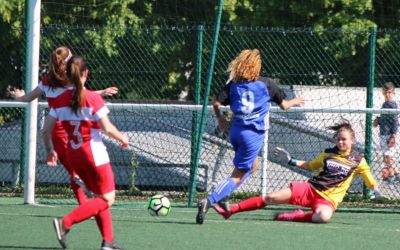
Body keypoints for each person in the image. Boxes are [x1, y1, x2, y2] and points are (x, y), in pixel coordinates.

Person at [196, 48, 305, 224]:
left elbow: (216, 103)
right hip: (252, 135)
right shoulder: (267, 84)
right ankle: (209, 201)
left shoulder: (233, 85)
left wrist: (220, 120)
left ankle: (224, 196)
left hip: (236, 132)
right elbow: (284, 105)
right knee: (238, 175)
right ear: (257, 66)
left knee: (253, 165)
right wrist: (295, 101)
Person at [8, 46, 119, 204]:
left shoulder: (48, 81)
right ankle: (91, 199)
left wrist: (18, 96)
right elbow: (86, 95)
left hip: (57, 132)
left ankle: (85, 203)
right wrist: (101, 92)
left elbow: (27, 99)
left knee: (75, 173)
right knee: (82, 171)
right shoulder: (73, 79)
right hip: (76, 130)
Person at [214, 121, 383, 223]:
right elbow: (310, 166)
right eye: (338, 139)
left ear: (352, 140)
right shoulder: (328, 153)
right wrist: (290, 160)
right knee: (270, 198)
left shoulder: (358, 160)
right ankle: (230, 211)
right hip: (310, 189)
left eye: (344, 139)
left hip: (328, 200)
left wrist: (376, 190)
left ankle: (295, 216)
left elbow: (369, 179)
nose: (340, 142)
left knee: (323, 217)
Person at [42, 55, 128, 250]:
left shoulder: (60, 99)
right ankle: (65, 223)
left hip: (74, 155)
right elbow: (106, 128)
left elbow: (46, 130)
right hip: (93, 154)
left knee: (99, 196)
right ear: (86, 74)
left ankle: (108, 241)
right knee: (107, 199)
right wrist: (123, 138)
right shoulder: (92, 97)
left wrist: (49, 150)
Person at [373, 82, 399, 184]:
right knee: (387, 156)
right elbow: (386, 119)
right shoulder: (385, 104)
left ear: (393, 93)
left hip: (389, 135)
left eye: (390, 92)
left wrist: (393, 136)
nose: (388, 94)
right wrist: (378, 120)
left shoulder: (392, 105)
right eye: (386, 92)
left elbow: (394, 122)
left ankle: (391, 176)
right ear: (382, 92)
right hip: (384, 134)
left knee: (388, 156)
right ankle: (397, 174)